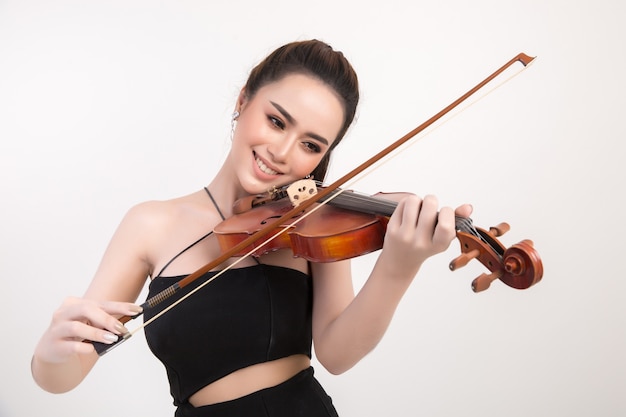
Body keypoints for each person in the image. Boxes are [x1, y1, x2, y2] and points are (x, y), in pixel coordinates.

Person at [31, 39, 472, 416]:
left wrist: (398, 266)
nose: (281, 151)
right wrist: (52, 354)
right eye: (276, 121)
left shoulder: (314, 224)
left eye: (310, 144)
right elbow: (64, 375)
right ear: (243, 101)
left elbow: (337, 355)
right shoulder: (150, 223)